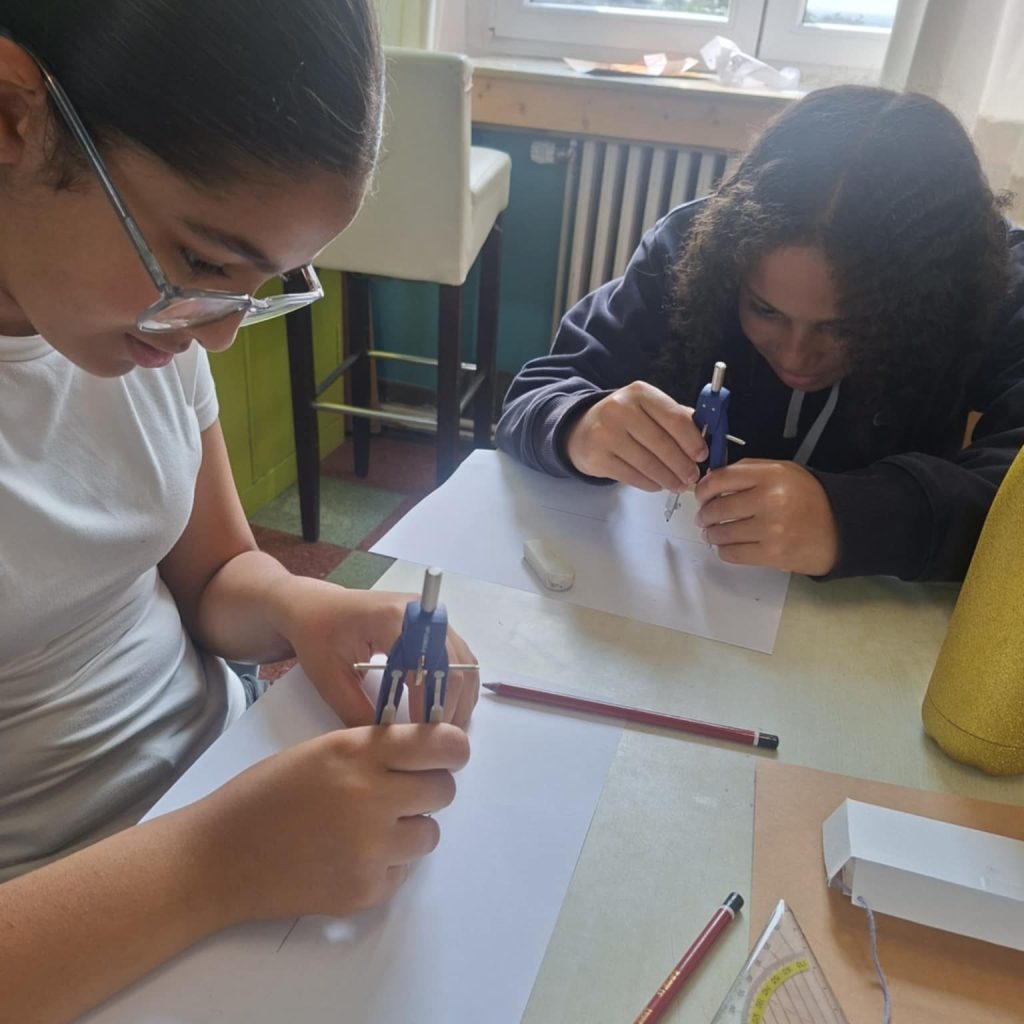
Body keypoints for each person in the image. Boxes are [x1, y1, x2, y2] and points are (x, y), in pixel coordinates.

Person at [0, 4, 479, 1020]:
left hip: (233, 803)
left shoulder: (121, 322)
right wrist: (213, 864)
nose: (217, 337)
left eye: (262, 285)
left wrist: (303, 611)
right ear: (11, 117)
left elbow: (212, 571)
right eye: (207, 262)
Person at [497, 86, 1024, 581]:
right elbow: (538, 391)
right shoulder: (692, 248)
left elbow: (1014, 498)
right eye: (765, 310)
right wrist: (578, 426)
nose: (797, 356)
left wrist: (852, 518)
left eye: (843, 328)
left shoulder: (991, 284)